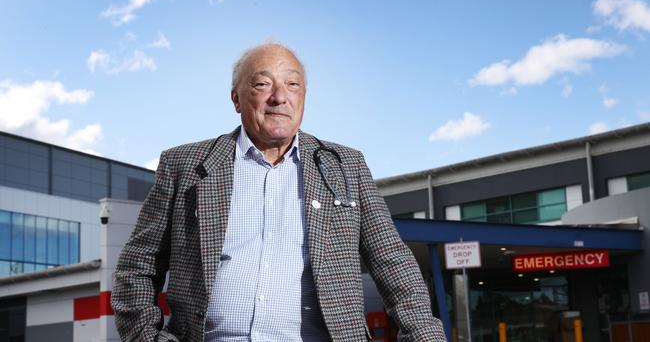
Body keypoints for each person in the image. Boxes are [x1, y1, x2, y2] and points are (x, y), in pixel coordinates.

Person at [111, 42, 447, 342]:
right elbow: (137, 267)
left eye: (292, 84)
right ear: (237, 99)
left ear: (303, 97)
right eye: (262, 83)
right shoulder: (185, 165)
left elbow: (393, 263)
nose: (279, 96)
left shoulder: (347, 166)